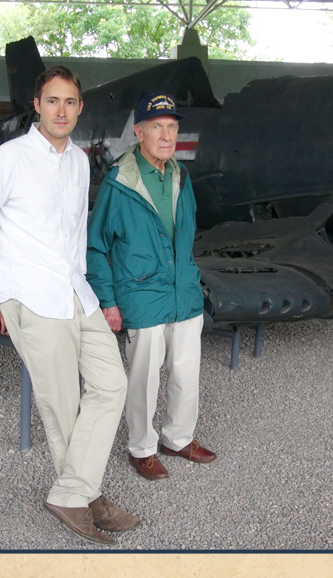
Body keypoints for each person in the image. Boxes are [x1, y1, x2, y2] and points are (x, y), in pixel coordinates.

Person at [0, 66, 138, 546]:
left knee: (111, 384)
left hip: (75, 291)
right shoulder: (7, 159)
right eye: (52, 101)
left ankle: (75, 491)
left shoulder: (78, 161)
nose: (61, 110)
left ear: (80, 108)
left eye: (70, 102)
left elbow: (74, 235)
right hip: (32, 295)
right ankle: (83, 496)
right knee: (63, 405)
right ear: (37, 106)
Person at [87, 92, 217, 481]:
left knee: (186, 372)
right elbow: (96, 247)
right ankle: (141, 448)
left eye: (172, 127)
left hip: (183, 292)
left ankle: (178, 438)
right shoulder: (120, 182)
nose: (166, 135)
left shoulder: (180, 176)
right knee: (144, 377)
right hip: (141, 296)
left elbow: (186, 234)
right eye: (156, 127)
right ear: (139, 132)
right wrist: (108, 301)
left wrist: (189, 277)